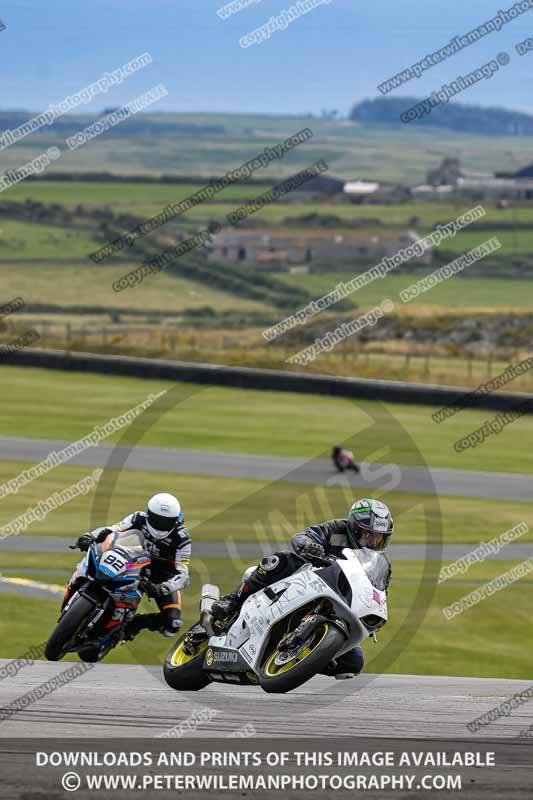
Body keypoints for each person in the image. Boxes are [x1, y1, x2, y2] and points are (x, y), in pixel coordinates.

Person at [212, 498, 393, 678]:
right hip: (308, 581)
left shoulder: (377, 564)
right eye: (368, 534)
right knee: (279, 561)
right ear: (354, 528)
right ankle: (233, 601)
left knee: (354, 662)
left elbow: (378, 593)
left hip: (336, 609)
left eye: (379, 537)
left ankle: (303, 658)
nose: (373, 541)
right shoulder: (336, 528)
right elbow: (302, 536)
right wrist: (309, 546)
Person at [65, 493, 191, 639]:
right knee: (99, 570)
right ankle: (78, 585)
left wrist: (162, 588)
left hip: (159, 578)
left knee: (172, 624)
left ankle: (135, 624)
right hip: (131, 563)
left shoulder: (182, 538)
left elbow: (183, 574)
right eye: (156, 519)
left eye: (165, 522)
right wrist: (90, 536)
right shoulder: (138, 518)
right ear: (149, 514)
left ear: (175, 521)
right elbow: (112, 530)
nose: (159, 524)